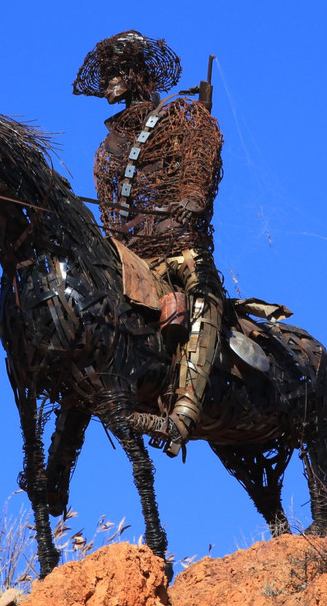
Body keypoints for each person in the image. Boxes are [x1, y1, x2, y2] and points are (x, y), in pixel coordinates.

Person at [73, 30, 224, 457]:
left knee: (204, 298)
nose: (108, 85)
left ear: (138, 74)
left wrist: (192, 198)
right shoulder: (108, 148)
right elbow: (110, 215)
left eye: (115, 74)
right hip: (132, 259)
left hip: (179, 248)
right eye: (103, 77)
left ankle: (182, 417)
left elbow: (203, 154)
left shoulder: (182, 115)